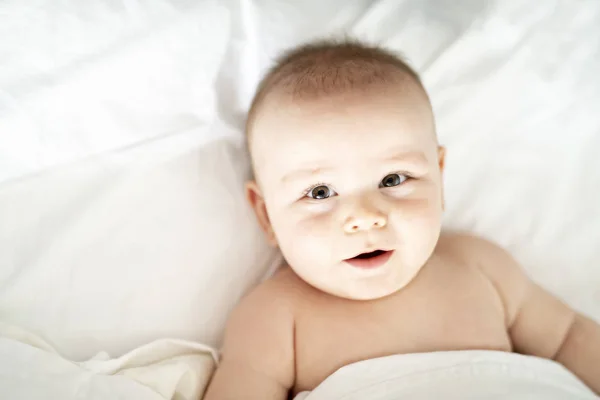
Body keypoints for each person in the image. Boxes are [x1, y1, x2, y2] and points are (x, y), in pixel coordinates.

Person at [204, 40, 600, 399]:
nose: (364, 218)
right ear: (266, 214)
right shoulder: (275, 316)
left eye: (392, 180)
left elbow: (569, 337)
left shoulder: (480, 267)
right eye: (320, 193)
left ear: (439, 179)